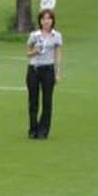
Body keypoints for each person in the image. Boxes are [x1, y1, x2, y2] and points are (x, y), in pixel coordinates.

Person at [26, 8, 62, 140]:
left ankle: (43, 130)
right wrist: (34, 51)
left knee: (47, 101)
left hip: (48, 70)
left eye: (49, 18)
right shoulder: (34, 35)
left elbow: (58, 54)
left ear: (52, 21)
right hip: (34, 69)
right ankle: (33, 128)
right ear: (40, 21)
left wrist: (58, 72)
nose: (46, 21)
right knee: (33, 100)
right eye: (43, 19)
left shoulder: (56, 36)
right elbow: (27, 52)